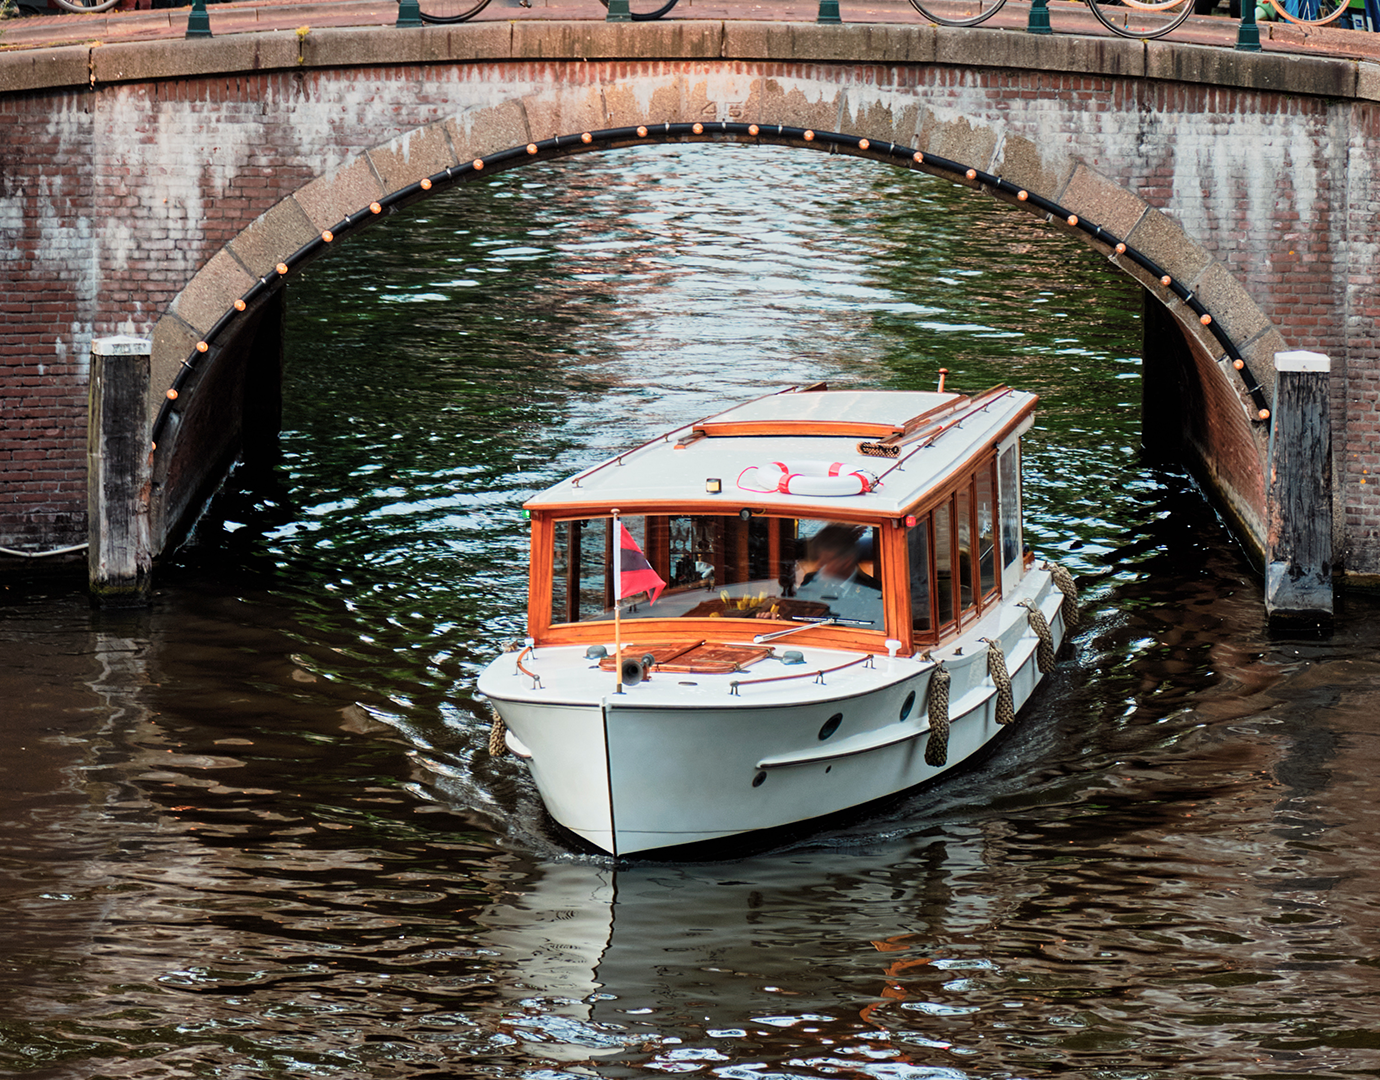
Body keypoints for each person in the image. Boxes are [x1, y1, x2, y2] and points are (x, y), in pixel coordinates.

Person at [794, 524, 883, 628]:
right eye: (819, 559)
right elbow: (796, 614)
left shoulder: (874, 592)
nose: (818, 565)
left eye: (826, 561)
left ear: (846, 561)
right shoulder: (811, 580)